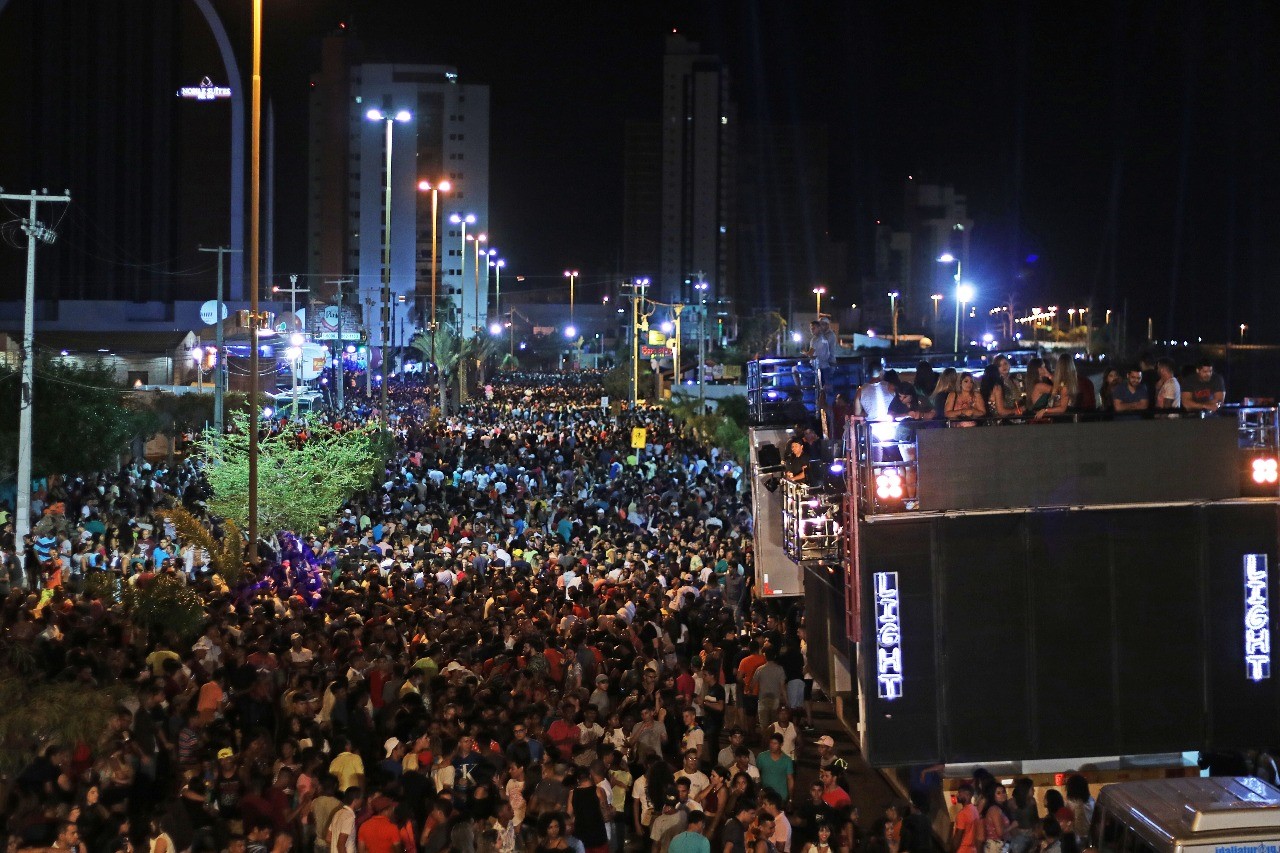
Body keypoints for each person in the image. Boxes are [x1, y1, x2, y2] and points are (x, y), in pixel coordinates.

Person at [951, 784, 980, 853]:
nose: (957, 795)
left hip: (963, 849)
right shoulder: (975, 810)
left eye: (960, 793)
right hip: (973, 849)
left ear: (967, 794)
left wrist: (952, 850)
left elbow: (958, 837)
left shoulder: (962, 814)